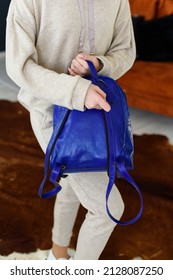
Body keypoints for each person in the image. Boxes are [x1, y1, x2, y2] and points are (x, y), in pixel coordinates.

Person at [6, 0, 136, 260]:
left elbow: (125, 49)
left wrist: (99, 64)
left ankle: (57, 254)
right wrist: (77, 90)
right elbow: (19, 65)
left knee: (72, 184)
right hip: (51, 116)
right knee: (108, 207)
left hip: (98, 114)